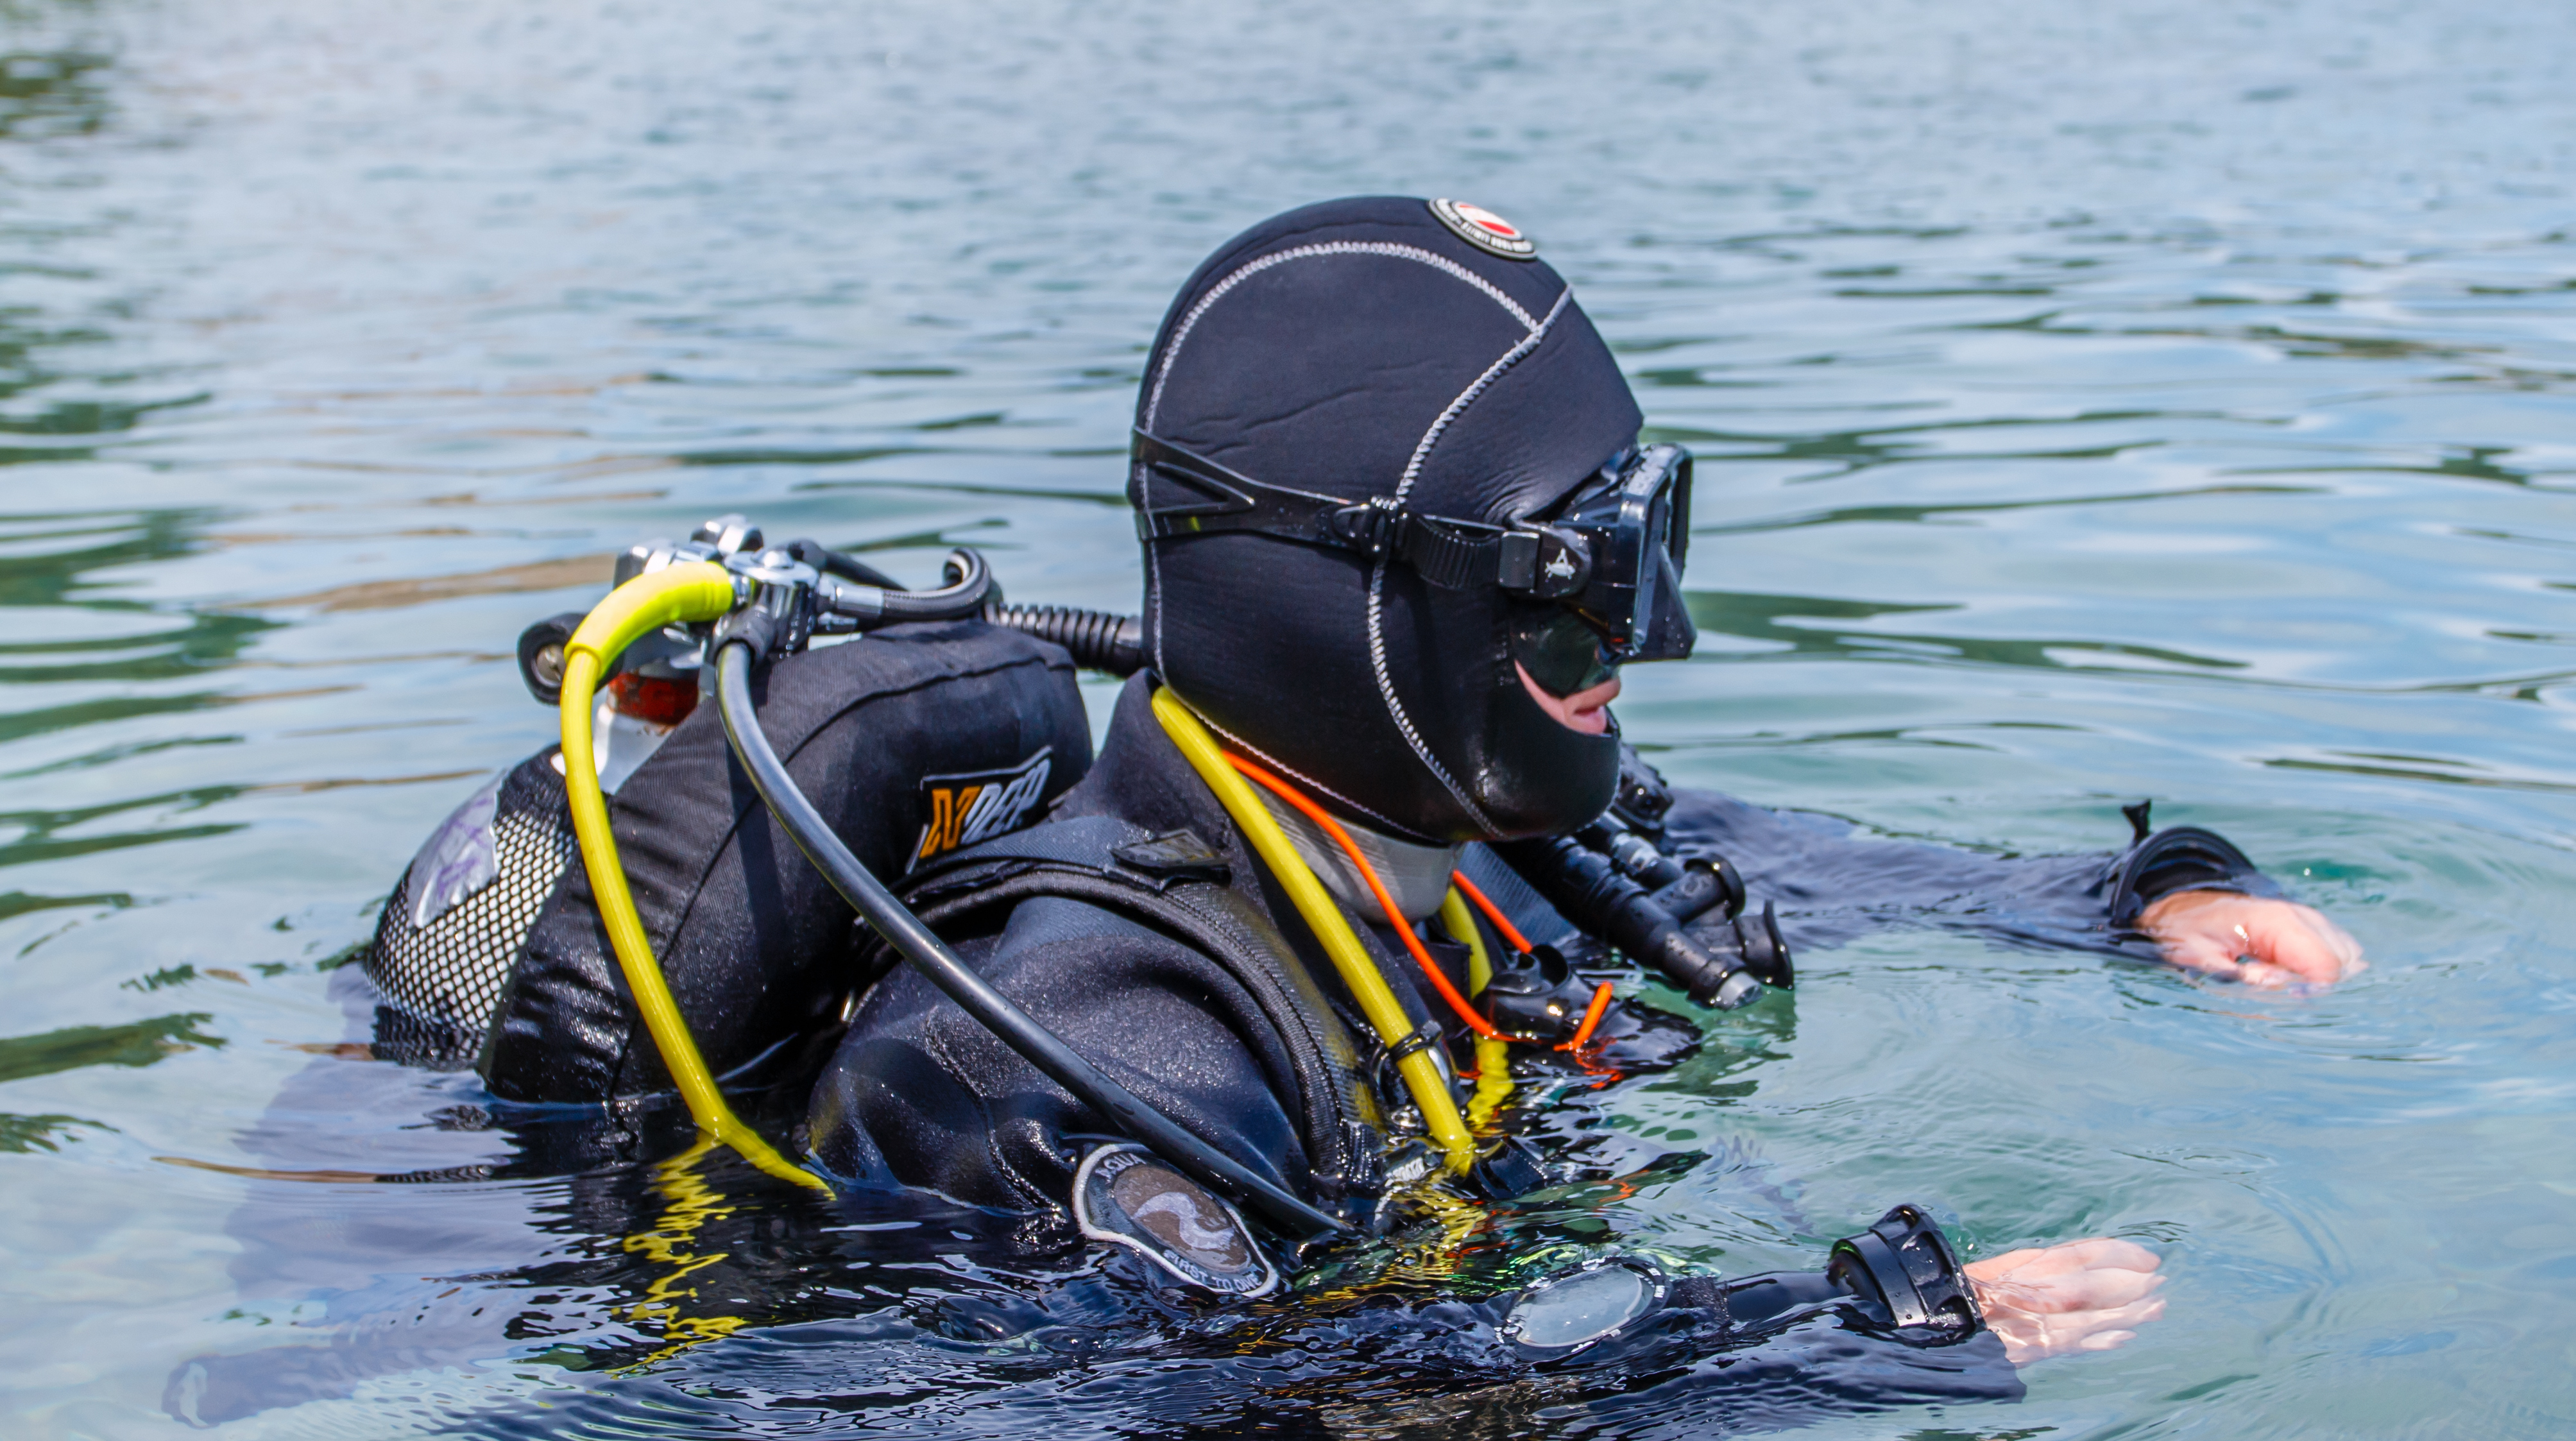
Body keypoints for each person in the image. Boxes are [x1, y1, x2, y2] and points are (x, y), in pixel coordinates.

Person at [348, 195, 2362, 1424]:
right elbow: (1257, 1417)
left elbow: (1741, 863)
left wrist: (2135, 895)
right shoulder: (1069, 1052)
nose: (1636, 631)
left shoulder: (1433, 820)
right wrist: (1841, 1340)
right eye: (1566, 565)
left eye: (1637, 536)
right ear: (1353, 593)